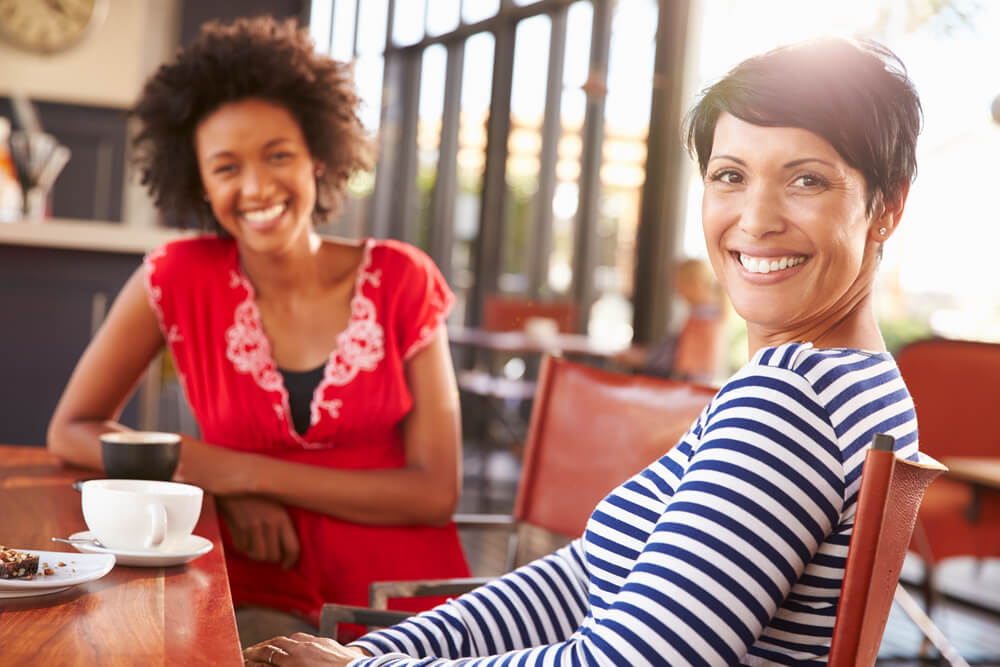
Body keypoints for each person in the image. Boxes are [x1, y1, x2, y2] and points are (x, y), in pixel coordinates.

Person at [242, 36, 925, 666]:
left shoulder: (789, 397)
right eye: (729, 175)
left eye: (806, 179)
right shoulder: (865, 384)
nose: (755, 217)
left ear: (888, 205)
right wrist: (382, 652)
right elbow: (580, 579)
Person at [46, 17, 469, 645]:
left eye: (279, 155)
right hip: (245, 587)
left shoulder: (403, 278)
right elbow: (72, 429)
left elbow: (435, 491)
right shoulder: (174, 278)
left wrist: (238, 474)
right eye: (226, 167)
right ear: (199, 181)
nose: (256, 187)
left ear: (318, 157)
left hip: (400, 605)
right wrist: (204, 483)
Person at [615, 257, 726, 384]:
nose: (677, 290)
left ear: (693, 283)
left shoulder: (703, 319)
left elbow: (682, 361)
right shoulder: (707, 315)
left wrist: (642, 358)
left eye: (679, 283)